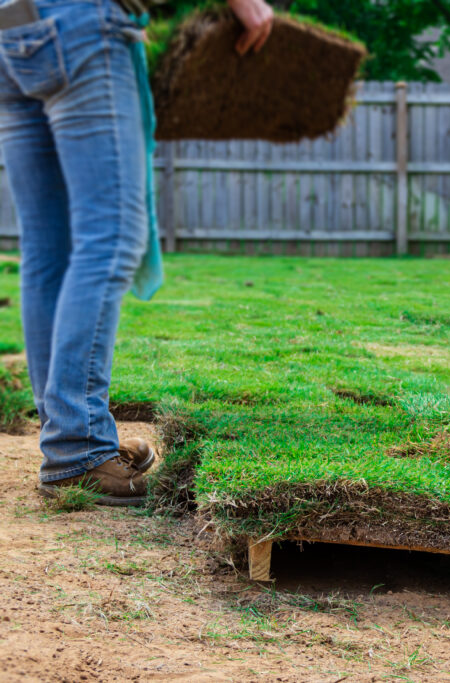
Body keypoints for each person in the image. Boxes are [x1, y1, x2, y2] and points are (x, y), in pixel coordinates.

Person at [0, 0, 274, 505]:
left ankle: (71, 438)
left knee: (49, 250)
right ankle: (78, 448)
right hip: (78, 23)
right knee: (111, 236)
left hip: (11, 28)